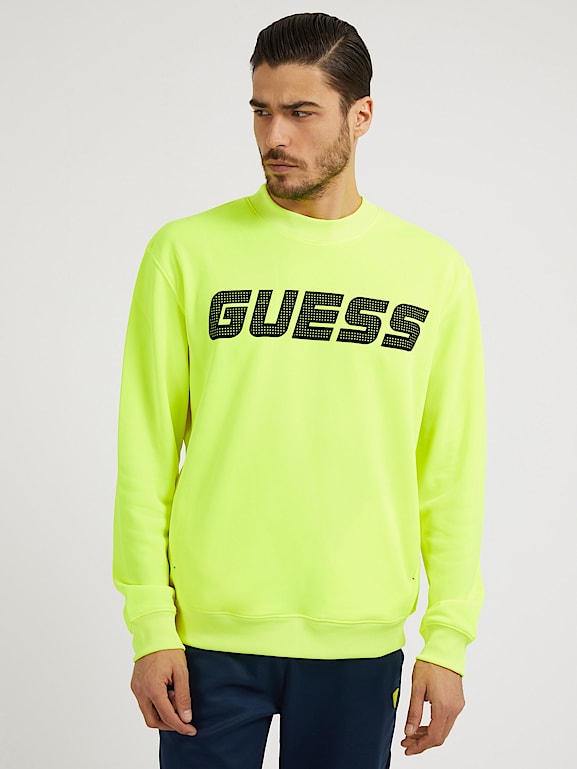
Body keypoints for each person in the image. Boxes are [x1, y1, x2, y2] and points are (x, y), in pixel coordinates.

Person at [113, 12, 485, 769]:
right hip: (207, 639)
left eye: (300, 112)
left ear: (361, 115)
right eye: (261, 111)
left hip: (359, 638)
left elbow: (449, 470)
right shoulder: (185, 253)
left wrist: (447, 640)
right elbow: (145, 455)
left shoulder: (431, 272)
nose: (273, 136)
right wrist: (151, 625)